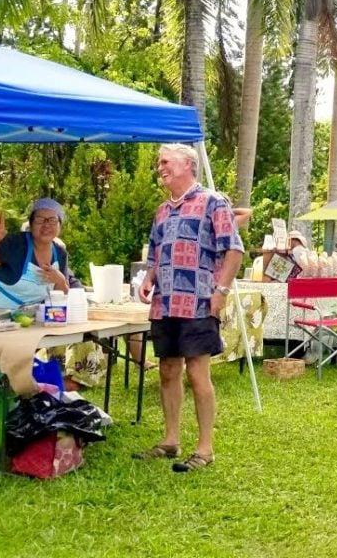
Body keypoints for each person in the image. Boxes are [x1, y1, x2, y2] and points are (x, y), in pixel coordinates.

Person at [135, 144, 244, 473]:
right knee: (168, 370)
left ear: (187, 165)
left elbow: (234, 250)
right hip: (165, 303)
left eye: (165, 162)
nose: (160, 167)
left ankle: (205, 448)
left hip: (197, 301)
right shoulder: (161, 211)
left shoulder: (212, 202)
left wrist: (221, 291)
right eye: (159, 163)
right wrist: (148, 278)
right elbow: (155, 252)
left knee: (198, 374)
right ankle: (170, 441)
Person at [0, 197, 80, 308]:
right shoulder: (16, 243)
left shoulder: (60, 254)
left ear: (60, 226)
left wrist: (60, 281)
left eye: (53, 220)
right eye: (40, 220)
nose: (46, 225)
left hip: (17, 317)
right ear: (30, 225)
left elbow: (62, 297)